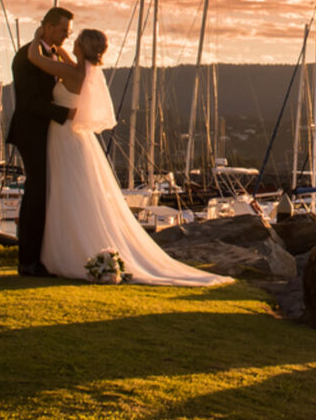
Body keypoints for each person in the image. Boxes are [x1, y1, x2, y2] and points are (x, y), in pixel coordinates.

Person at [28, 28, 230, 287]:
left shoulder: (74, 73)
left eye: (76, 39)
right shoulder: (83, 70)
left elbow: (35, 58)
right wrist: (58, 49)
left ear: (82, 46)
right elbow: (65, 59)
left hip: (66, 138)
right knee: (73, 194)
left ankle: (68, 253)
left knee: (67, 194)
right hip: (74, 139)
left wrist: (38, 36)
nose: (73, 41)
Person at [7, 6, 78, 277]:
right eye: (63, 30)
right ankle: (28, 260)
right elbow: (30, 101)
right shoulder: (27, 57)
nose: (66, 36)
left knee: (44, 193)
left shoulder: (49, 54)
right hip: (31, 132)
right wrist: (66, 113)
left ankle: (41, 256)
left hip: (47, 132)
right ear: (48, 27)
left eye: (68, 32)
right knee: (36, 193)